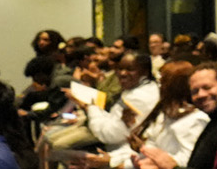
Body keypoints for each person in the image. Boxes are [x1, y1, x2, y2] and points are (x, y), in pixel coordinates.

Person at [81, 62, 209, 169]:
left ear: (175, 86)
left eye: (162, 81)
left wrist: (151, 158)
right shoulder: (166, 113)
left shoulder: (195, 120)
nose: (159, 87)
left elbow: (189, 161)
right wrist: (112, 160)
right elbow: (150, 147)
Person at [131, 62, 217, 169]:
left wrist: (172, 166)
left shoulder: (201, 120)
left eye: (207, 87)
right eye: (195, 91)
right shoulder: (212, 123)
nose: (201, 94)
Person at [83, 52, 159, 151]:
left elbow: (109, 135)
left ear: (144, 72)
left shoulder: (137, 98)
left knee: (60, 147)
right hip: (114, 142)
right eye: (120, 69)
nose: (123, 73)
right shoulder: (144, 88)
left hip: (123, 153)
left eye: (130, 69)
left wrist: (91, 109)